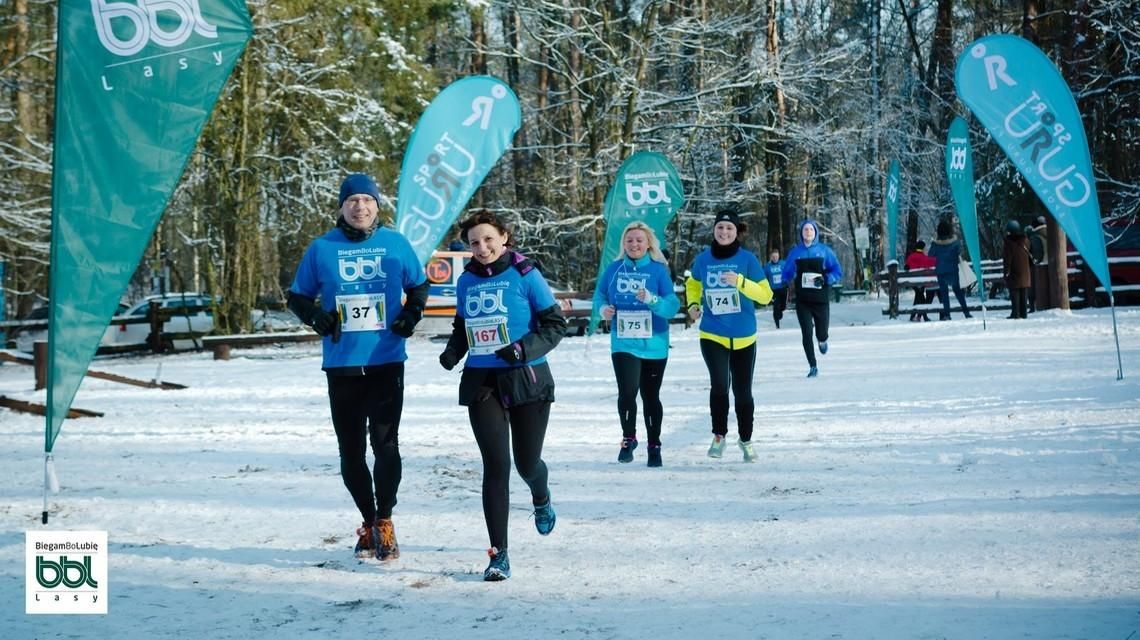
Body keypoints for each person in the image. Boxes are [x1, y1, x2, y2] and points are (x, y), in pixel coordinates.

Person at [287, 173, 429, 562]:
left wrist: (411, 314)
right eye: (352, 201)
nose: (360, 207)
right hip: (342, 364)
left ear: (377, 206)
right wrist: (316, 317)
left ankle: (385, 519)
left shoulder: (396, 243)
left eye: (367, 200)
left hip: (386, 360)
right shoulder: (321, 248)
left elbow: (419, 286)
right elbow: (296, 297)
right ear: (341, 207)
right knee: (350, 453)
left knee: (385, 446)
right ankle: (367, 522)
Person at [437, 209, 566, 582]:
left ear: (504, 238)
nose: (482, 247)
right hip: (482, 382)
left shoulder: (526, 274)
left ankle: (540, 497)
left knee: (527, 464)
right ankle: (499, 555)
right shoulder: (466, 282)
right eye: (475, 243)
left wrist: (523, 349)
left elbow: (556, 324)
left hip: (527, 379)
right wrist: (453, 351)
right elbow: (464, 325)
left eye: (488, 239)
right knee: (496, 466)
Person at [685, 206, 772, 462]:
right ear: (714, 230)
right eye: (720, 227)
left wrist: (741, 283)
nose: (724, 232)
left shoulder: (748, 260)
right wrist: (692, 305)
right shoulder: (703, 259)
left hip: (745, 336)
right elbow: (693, 283)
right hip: (712, 334)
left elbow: (766, 295)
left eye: (729, 228)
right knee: (720, 385)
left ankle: (745, 439)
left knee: (743, 392)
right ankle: (719, 436)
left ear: (737, 232)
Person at [595, 221, 681, 467]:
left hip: (654, 342)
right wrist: (604, 309)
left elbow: (672, 307)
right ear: (623, 243)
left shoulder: (658, 271)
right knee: (627, 392)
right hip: (623, 342)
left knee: (650, 395)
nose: (634, 244)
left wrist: (652, 300)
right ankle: (628, 438)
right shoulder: (613, 270)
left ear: (648, 244)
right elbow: (599, 296)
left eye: (639, 240)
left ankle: (654, 446)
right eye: (630, 240)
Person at [781, 219, 843, 378]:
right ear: (801, 233)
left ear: (815, 232)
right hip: (803, 300)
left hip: (820, 299)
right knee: (806, 333)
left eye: (811, 229)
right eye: (805, 229)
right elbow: (786, 271)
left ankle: (822, 341)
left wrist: (827, 278)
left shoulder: (824, 251)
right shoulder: (795, 252)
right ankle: (813, 365)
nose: (808, 232)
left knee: (821, 333)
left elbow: (837, 270)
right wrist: (784, 283)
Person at [926, 219, 973, 321]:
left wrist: (934, 240)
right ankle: (966, 312)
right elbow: (959, 252)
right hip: (953, 270)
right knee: (958, 292)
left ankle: (947, 315)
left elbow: (930, 255)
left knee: (944, 294)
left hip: (941, 272)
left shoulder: (936, 244)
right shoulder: (955, 243)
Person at [1003, 220, 1032, 319]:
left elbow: (1008, 258)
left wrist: (1006, 271)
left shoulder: (1008, 242)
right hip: (1025, 271)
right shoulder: (1026, 240)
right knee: (1023, 292)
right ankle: (1024, 313)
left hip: (1014, 270)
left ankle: (1016, 313)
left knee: (1014, 293)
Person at [904, 240, 937, 322]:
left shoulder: (911, 257)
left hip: (912, 281)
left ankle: (914, 316)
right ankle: (924, 316)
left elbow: (906, 266)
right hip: (921, 282)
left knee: (918, 297)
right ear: (923, 248)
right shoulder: (924, 257)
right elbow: (932, 262)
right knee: (921, 298)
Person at [1025, 217, 1046, 313]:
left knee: (1032, 286)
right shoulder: (1050, 233)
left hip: (1038, 267)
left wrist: (1033, 261)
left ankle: (1033, 307)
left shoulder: (1036, 237)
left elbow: (1036, 253)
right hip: (1049, 263)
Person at [763, 249, 788, 328]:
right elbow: (764, 277)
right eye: (773, 257)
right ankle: (777, 324)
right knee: (776, 306)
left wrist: (787, 280)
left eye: (776, 256)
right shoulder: (767, 266)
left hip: (783, 288)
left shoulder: (783, 264)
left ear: (779, 256)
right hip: (773, 290)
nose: (775, 258)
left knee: (783, 306)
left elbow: (788, 272)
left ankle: (780, 312)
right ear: (771, 257)